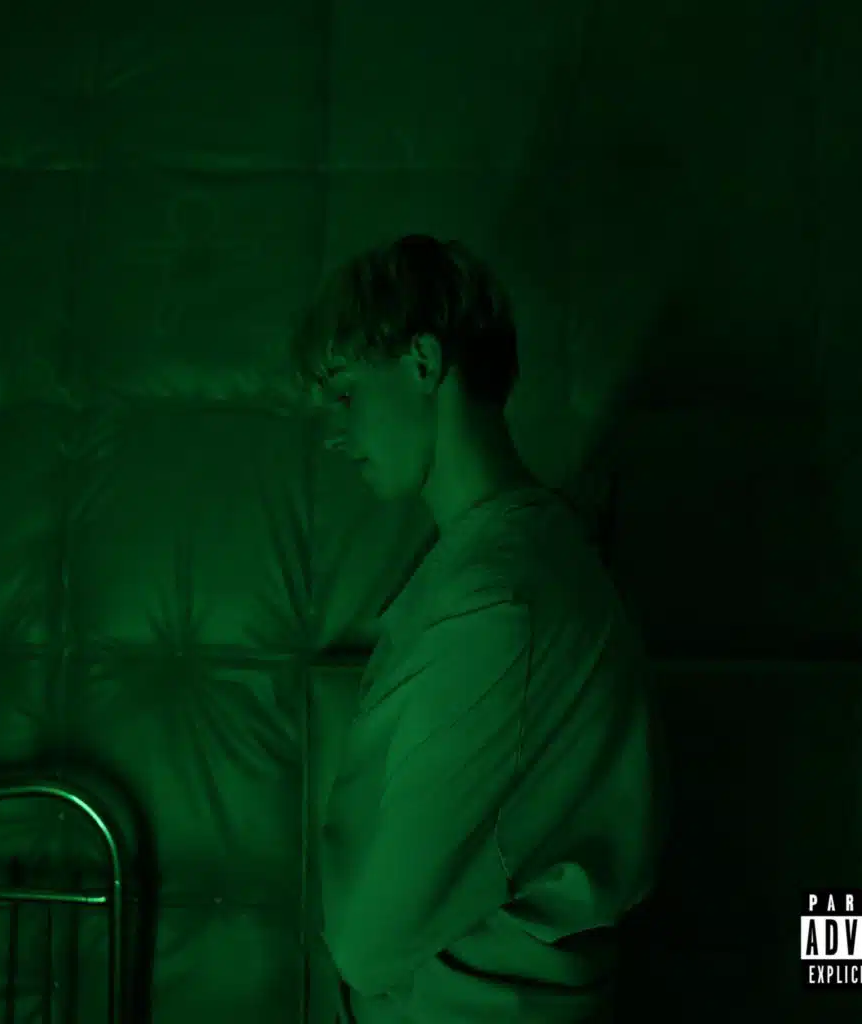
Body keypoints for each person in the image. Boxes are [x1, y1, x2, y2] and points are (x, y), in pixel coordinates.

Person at [293, 234, 664, 1022]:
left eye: (348, 393)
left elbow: (367, 942)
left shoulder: (495, 602)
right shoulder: (515, 557)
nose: (335, 431)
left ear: (424, 363)